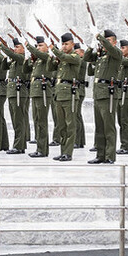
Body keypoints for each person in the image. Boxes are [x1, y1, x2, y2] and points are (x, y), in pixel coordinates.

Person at [85, 29, 120, 164]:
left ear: (114, 42)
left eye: (109, 40)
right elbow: (86, 58)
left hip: (108, 94)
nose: (105, 43)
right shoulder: (101, 56)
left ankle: (110, 156)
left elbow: (110, 48)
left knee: (108, 126)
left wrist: (99, 37)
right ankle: (100, 155)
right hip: (98, 93)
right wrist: (91, 45)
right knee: (99, 127)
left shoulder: (116, 54)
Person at [49, 33, 81, 161]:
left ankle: (68, 153)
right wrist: (52, 57)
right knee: (61, 125)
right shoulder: (62, 59)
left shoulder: (75, 56)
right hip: (59, 94)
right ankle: (63, 151)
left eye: (66, 44)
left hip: (69, 95)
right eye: (62, 44)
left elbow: (64, 56)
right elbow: (49, 68)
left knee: (70, 125)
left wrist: (54, 49)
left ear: (72, 44)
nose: (64, 46)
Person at [0, 39, 32, 155]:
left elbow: (12, 54)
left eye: (18, 47)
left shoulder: (23, 58)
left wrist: (2, 47)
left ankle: (18, 146)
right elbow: (4, 67)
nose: (15, 49)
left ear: (24, 49)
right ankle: (20, 145)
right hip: (12, 91)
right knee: (15, 120)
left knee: (19, 120)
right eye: (15, 47)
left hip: (19, 92)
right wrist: (6, 56)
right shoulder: (14, 59)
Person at [25, 36, 57, 158]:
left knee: (42, 121)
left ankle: (43, 150)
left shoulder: (48, 57)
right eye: (37, 46)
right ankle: (39, 147)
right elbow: (26, 70)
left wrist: (28, 46)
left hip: (43, 91)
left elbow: (40, 54)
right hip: (35, 91)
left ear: (47, 47)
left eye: (40, 45)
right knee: (37, 120)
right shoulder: (38, 59)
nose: (38, 48)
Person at [116, 40, 128, 155]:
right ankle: (124, 144)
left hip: (125, 93)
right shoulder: (121, 61)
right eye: (121, 48)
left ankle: (126, 146)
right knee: (120, 120)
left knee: (125, 120)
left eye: (123, 48)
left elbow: (122, 60)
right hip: (119, 93)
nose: (121, 50)